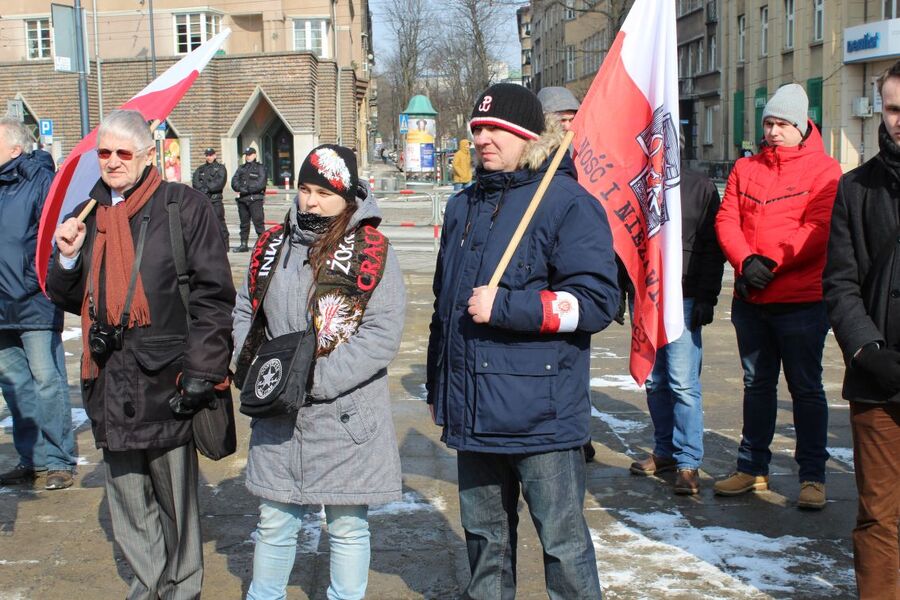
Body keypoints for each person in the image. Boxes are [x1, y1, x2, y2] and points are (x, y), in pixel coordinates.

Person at [426, 83, 619, 598]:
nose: (482, 139)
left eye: (495, 129)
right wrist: (436, 386)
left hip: (543, 419)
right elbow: (444, 307)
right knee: (486, 546)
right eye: (477, 129)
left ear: (526, 135)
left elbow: (598, 302)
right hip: (472, 412)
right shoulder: (461, 206)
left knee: (563, 546)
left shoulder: (568, 202)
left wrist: (508, 306)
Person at [47, 109, 235, 598]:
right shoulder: (86, 214)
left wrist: (204, 369)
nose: (111, 162)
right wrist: (67, 256)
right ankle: (150, 586)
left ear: (148, 156)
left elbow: (214, 296)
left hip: (167, 379)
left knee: (176, 502)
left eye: (122, 153)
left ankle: (183, 587)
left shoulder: (183, 206)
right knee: (128, 501)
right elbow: (70, 297)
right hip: (109, 378)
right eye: (103, 153)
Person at [233, 144, 405, 600]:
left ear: (346, 198)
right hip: (279, 412)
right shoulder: (273, 244)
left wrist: (316, 379)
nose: (309, 202)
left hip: (345, 414)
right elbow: (244, 310)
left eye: (323, 193)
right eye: (305, 189)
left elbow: (381, 334)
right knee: (274, 521)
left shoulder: (371, 251)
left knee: (347, 526)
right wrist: (254, 367)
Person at [713, 83, 841, 509]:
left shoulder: (825, 171)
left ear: (802, 126)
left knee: (806, 388)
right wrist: (745, 261)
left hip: (801, 300)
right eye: (768, 123)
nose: (772, 131)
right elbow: (727, 216)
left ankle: (812, 477)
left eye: (782, 124)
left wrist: (769, 264)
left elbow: (818, 230)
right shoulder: (745, 168)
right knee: (756, 385)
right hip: (752, 298)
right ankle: (751, 467)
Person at [823, 60, 900, 600]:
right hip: (879, 383)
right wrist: (867, 348)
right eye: (894, 107)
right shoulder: (855, 188)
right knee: (880, 517)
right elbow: (840, 282)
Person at [629, 142, 725, 495]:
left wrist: (706, 297)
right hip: (646, 298)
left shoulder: (700, 186)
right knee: (655, 381)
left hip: (684, 298)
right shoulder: (638, 184)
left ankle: (688, 462)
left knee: (683, 382)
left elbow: (714, 247)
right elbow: (626, 241)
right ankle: (666, 450)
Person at [0, 117, 76, 490]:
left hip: (33, 301)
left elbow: (52, 238)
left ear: (15, 149)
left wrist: (32, 282)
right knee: (15, 385)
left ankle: (59, 459)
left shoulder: (40, 181)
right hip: (1, 307)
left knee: (48, 381)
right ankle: (31, 459)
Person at [231, 146, 267, 252]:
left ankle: (263, 246)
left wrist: (246, 189)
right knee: (244, 223)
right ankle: (243, 244)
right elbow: (234, 181)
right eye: (246, 155)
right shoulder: (241, 168)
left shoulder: (260, 168)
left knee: (258, 223)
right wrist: (240, 189)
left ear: (255, 155)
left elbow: (261, 183)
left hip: (255, 199)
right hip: (243, 200)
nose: (247, 157)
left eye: (250, 154)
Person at [192, 147, 229, 248]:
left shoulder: (220, 168)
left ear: (215, 155)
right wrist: (201, 189)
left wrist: (207, 188)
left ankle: (225, 245)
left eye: (211, 155)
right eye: (207, 155)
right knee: (204, 224)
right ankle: (207, 246)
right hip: (203, 201)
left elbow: (220, 182)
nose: (209, 157)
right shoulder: (200, 169)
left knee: (219, 222)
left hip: (215, 200)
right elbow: (195, 182)